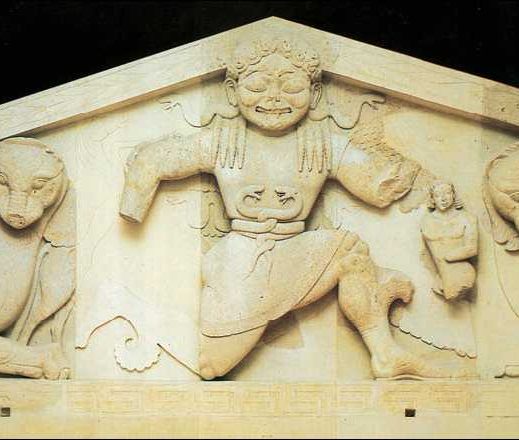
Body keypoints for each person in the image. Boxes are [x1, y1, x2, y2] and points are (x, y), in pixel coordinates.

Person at [120, 36, 446, 380]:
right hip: (242, 261)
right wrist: (132, 206)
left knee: (350, 252)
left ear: (315, 94)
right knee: (211, 366)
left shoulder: (322, 145)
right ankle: (136, 317)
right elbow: (153, 160)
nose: (274, 97)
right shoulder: (222, 142)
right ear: (231, 92)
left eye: (291, 86)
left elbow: (377, 186)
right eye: (257, 86)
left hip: (295, 250)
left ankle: (385, 354)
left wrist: (436, 187)